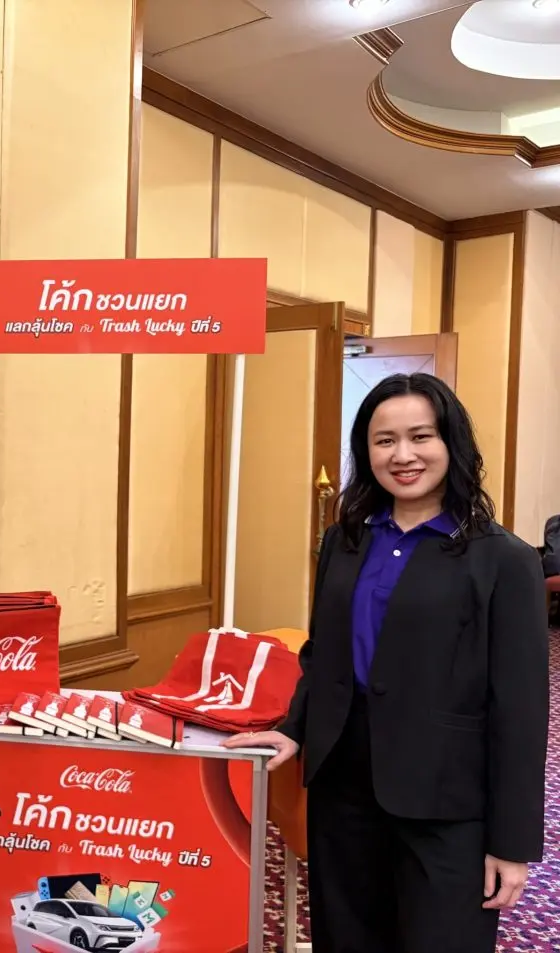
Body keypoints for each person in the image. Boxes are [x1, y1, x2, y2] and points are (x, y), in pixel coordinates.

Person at [225, 372, 548, 953]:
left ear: (451, 443)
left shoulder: (504, 559)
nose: (403, 455)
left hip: (447, 798)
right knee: (347, 937)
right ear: (365, 451)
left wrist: (513, 842)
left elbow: (521, 708)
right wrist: (295, 728)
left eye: (421, 436)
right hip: (343, 784)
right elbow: (324, 653)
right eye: (384, 441)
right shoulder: (344, 541)